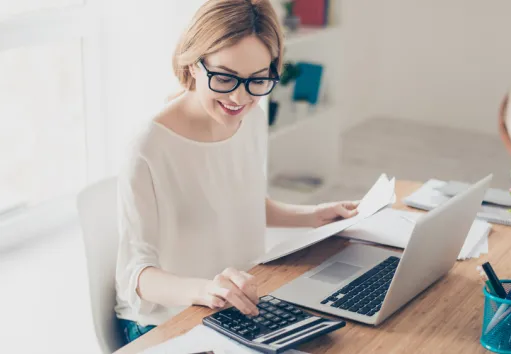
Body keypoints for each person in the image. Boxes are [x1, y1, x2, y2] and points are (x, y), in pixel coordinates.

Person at [114, 0, 358, 345]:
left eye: (258, 80)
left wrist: (314, 215)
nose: (240, 97)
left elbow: (241, 203)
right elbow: (135, 275)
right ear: (194, 64)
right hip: (166, 321)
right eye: (225, 77)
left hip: (238, 308)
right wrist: (205, 289)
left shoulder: (251, 119)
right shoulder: (149, 145)